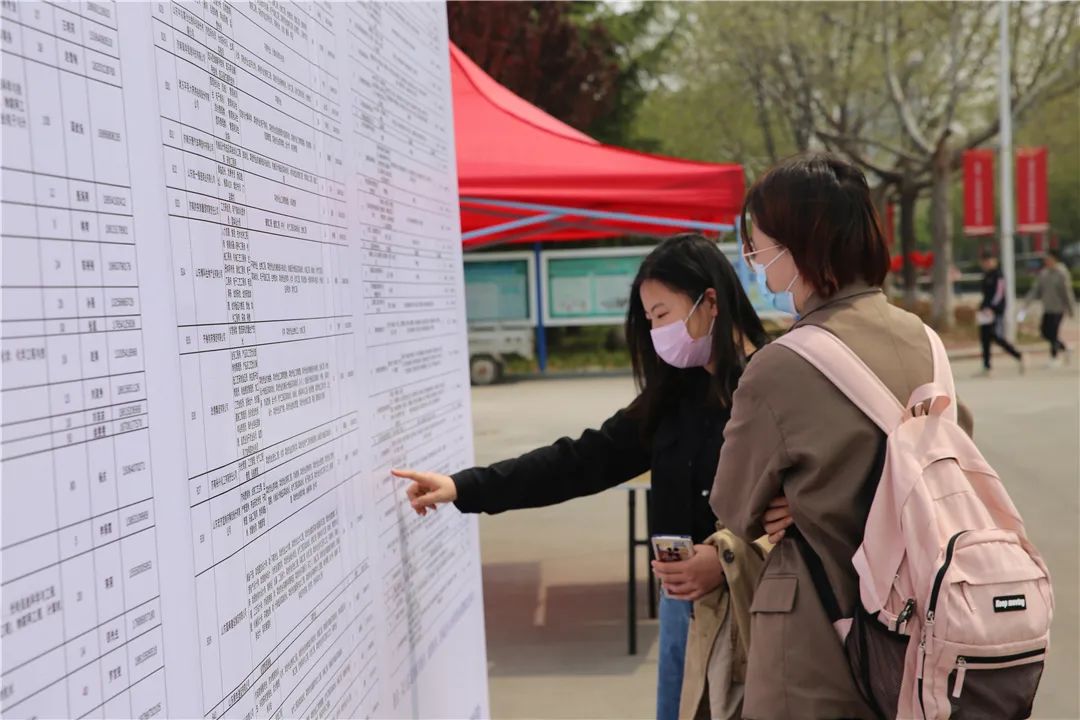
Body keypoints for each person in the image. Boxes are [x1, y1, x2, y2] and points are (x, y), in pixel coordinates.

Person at [393, 233, 770, 720]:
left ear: (710, 302)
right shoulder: (673, 396)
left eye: (662, 315)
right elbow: (579, 461)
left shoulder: (770, 383)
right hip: (682, 609)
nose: (657, 333)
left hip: (754, 609)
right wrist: (465, 486)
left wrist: (724, 560)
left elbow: (807, 515)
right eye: (649, 320)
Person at [708, 153, 973, 719]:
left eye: (758, 244)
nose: (754, 259)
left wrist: (797, 505)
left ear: (798, 247)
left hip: (816, 641)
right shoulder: (925, 340)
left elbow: (735, 507)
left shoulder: (780, 365)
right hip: (923, 629)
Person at [1025, 249, 1076, 367]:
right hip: (1047, 308)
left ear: (1055, 259)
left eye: (1049, 259)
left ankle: (1054, 357)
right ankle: (1065, 347)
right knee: (1044, 332)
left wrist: (1070, 309)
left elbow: (1067, 293)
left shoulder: (1062, 273)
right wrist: (1027, 302)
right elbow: (1036, 290)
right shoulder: (1044, 273)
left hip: (1058, 309)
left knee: (1053, 332)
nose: (1047, 261)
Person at [977, 252, 1025, 376]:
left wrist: (992, 307)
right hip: (985, 311)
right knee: (984, 337)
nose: (986, 264)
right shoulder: (986, 275)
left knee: (996, 336)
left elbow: (999, 294)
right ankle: (986, 366)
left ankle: (1018, 355)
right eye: (984, 261)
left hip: (995, 311)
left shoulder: (998, 275)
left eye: (989, 261)